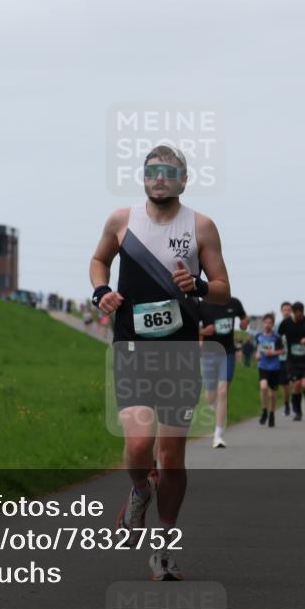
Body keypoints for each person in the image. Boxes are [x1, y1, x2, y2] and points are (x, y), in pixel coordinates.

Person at [90, 145, 230, 581]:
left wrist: (199, 285)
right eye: (152, 171)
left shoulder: (201, 226)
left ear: (183, 180)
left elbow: (223, 288)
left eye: (169, 172)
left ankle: (164, 549)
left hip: (179, 353)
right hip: (132, 349)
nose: (159, 178)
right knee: (138, 447)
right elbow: (99, 261)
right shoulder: (122, 220)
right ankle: (139, 490)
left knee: (171, 458)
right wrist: (101, 292)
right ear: (143, 176)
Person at [199, 297, 249, 448]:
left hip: (227, 353)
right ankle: (215, 412)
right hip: (208, 353)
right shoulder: (202, 305)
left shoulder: (234, 303)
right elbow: (189, 327)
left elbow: (244, 318)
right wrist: (203, 331)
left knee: (223, 391)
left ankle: (218, 435)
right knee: (210, 396)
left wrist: (244, 323)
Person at [278, 301, 305, 420]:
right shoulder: (286, 323)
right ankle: (298, 412)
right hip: (292, 360)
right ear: (293, 312)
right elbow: (279, 335)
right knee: (296, 386)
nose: (299, 317)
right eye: (297, 314)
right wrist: (279, 347)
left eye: (301, 314)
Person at [255, 313, 285, 427]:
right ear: (263, 323)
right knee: (263, 387)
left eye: (270, 323)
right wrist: (257, 354)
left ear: (272, 324)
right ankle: (264, 411)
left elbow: (283, 351)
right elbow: (258, 347)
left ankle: (272, 414)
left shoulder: (277, 337)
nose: (267, 325)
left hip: (274, 367)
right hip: (262, 366)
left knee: (272, 395)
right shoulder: (258, 336)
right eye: (266, 323)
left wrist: (273, 353)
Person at [276, 302, 293, 415]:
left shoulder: (295, 324)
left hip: (293, 358)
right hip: (281, 358)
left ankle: (295, 402)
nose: (286, 312)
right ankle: (286, 404)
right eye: (284, 310)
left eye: (288, 310)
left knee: (294, 382)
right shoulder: (276, 326)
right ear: (281, 311)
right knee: (284, 384)